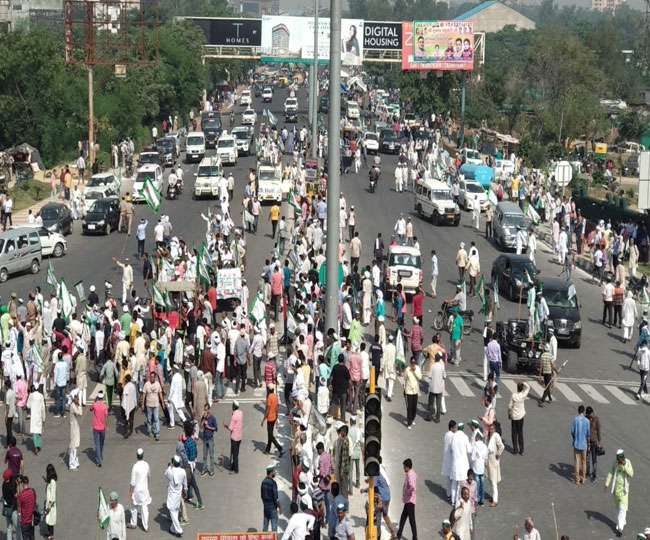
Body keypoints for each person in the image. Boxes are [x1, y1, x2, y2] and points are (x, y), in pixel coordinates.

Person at [605, 449, 634, 537]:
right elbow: (611, 472)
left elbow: (631, 474)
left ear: (623, 457)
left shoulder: (628, 462)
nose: (619, 461)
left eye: (620, 460)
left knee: (622, 509)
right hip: (615, 491)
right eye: (618, 460)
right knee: (618, 509)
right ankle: (622, 521)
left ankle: (620, 529)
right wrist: (607, 483)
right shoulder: (615, 463)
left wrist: (624, 466)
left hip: (624, 491)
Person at [128, 448, 151, 532]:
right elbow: (149, 477)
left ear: (137, 456)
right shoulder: (146, 465)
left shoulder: (135, 466)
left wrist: (130, 492)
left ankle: (133, 523)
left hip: (137, 490)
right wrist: (147, 486)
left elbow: (133, 482)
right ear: (143, 455)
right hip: (144, 489)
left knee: (134, 506)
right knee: (144, 507)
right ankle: (146, 526)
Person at [165, 455, 187, 538]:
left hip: (172, 495)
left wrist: (169, 466)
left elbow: (165, 474)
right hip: (178, 494)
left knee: (172, 512)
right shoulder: (183, 471)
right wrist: (185, 491)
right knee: (176, 511)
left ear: (173, 462)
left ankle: (179, 530)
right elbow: (185, 484)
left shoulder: (170, 471)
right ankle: (172, 529)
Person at [396, 458, 417, 540]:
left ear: (407, 467)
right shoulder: (412, 473)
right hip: (409, 500)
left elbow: (412, 487)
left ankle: (415, 538)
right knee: (403, 517)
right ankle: (399, 534)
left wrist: (406, 494)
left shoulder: (409, 474)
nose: (403, 468)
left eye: (404, 467)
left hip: (410, 501)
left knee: (412, 520)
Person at [507, 382, 529, 455]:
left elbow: (510, 406)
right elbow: (528, 387)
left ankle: (515, 449)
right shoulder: (523, 395)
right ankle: (521, 450)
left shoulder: (514, 395)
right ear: (522, 388)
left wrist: (509, 414)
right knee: (520, 433)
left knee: (514, 433)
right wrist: (524, 383)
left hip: (514, 416)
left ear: (517, 388)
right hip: (521, 416)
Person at [571, 404, 590, 485]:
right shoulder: (587, 421)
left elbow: (572, 431)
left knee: (577, 461)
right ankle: (583, 478)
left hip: (576, 443)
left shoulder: (575, 419)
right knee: (584, 461)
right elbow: (588, 434)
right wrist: (588, 443)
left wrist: (574, 438)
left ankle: (577, 479)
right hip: (584, 444)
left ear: (578, 411)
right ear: (584, 411)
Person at [261, 384, 283, 456]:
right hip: (274, 418)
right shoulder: (275, 397)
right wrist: (276, 416)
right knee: (269, 434)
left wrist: (264, 419)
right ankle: (268, 449)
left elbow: (267, 409)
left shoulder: (269, 397)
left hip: (270, 418)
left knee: (270, 435)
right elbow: (277, 407)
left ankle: (279, 448)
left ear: (269, 390)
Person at [486, 422, 504, 507]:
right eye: (490, 428)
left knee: (493, 481)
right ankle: (493, 497)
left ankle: (495, 500)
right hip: (489, 460)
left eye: (492, 428)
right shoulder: (489, 436)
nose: (491, 430)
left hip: (493, 460)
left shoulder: (496, 435)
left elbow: (501, 446)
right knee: (490, 479)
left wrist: (498, 453)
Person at [142, 371, 162, 441]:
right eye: (151, 377)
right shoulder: (146, 384)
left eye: (153, 377)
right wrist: (142, 404)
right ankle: (149, 431)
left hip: (156, 404)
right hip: (148, 405)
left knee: (156, 419)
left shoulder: (157, 384)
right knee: (149, 419)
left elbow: (160, 394)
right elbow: (144, 394)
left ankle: (157, 434)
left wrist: (162, 403)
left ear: (155, 377)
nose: (152, 378)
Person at [90, 391, 109, 467]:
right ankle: (100, 455)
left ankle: (98, 460)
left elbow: (91, 409)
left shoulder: (95, 404)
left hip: (95, 427)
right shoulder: (105, 406)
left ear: (97, 397)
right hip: (102, 427)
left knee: (97, 444)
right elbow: (106, 416)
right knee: (101, 443)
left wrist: (95, 401)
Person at [26, 385, 45, 455]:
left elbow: (28, 405)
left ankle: (36, 446)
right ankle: (38, 445)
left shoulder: (31, 395)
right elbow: (43, 408)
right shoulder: (41, 396)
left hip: (34, 416)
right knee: (39, 432)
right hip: (39, 416)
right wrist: (44, 418)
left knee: (34, 432)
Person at [261, 464, 280, 532]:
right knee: (274, 529)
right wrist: (280, 507)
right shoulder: (273, 483)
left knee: (265, 527)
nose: (275, 472)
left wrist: (266, 505)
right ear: (271, 472)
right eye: (274, 471)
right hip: (272, 509)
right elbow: (276, 498)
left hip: (266, 508)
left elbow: (262, 496)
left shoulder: (263, 482)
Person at [16, 475, 37, 540]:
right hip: (32, 519)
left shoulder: (22, 495)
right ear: (28, 482)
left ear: (22, 483)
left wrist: (18, 486)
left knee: (25, 537)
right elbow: (34, 502)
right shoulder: (33, 491)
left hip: (24, 521)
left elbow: (18, 506)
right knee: (32, 536)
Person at [225, 401, 243, 473]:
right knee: (236, 452)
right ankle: (233, 466)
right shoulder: (241, 413)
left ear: (234, 407)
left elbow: (230, 428)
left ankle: (236, 468)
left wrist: (226, 426)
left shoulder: (234, 416)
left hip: (234, 437)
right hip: (239, 436)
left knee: (234, 453)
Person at [200, 404, 218, 477]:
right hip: (205, 438)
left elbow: (216, 429)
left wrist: (209, 427)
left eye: (206, 409)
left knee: (211, 456)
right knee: (204, 455)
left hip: (210, 438)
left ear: (209, 410)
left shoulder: (213, 418)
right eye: (204, 409)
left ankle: (211, 470)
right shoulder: (204, 417)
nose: (205, 411)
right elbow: (201, 426)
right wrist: (203, 419)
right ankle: (204, 469)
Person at [586, 406, 601, 482]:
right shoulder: (586, 418)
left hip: (594, 442)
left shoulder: (596, 419)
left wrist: (599, 442)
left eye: (590, 414)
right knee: (587, 458)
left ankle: (594, 473)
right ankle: (587, 472)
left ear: (592, 412)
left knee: (594, 458)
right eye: (588, 414)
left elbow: (598, 431)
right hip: (587, 442)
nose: (589, 415)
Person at [68, 390, 82, 470]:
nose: (78, 399)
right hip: (73, 428)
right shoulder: (73, 406)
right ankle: (71, 463)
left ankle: (75, 462)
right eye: (77, 398)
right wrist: (79, 406)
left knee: (76, 445)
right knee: (73, 445)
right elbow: (80, 413)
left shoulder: (74, 405)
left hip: (75, 426)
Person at [44, 464, 57, 540]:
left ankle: (51, 536)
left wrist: (49, 507)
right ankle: (49, 534)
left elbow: (53, 496)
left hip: (51, 505)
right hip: (48, 503)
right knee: (48, 520)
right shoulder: (50, 481)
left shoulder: (53, 482)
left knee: (51, 520)